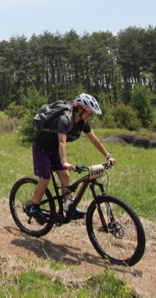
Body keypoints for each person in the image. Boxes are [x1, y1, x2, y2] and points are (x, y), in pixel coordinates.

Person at [27, 93, 116, 224]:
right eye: (89, 112)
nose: (90, 116)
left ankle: (67, 205)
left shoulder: (82, 123)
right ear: (80, 109)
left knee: (65, 176)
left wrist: (108, 155)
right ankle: (34, 207)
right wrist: (64, 161)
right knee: (45, 179)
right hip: (42, 148)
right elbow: (62, 141)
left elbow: (94, 139)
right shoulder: (65, 119)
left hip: (54, 150)